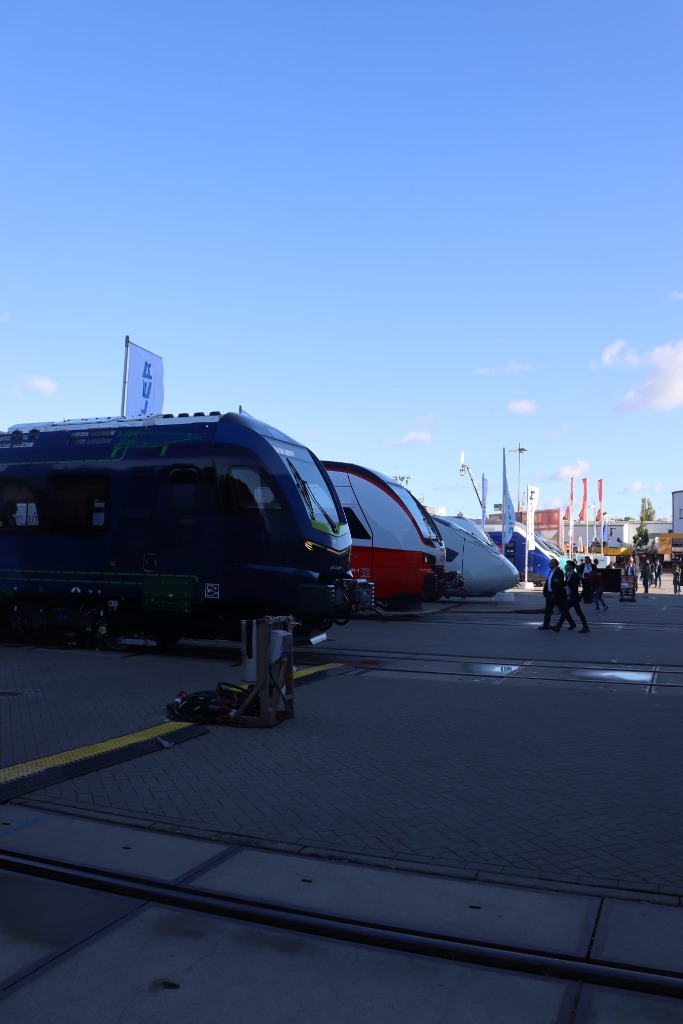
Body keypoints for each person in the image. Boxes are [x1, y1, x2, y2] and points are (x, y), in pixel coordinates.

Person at [554, 560, 589, 633]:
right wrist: (559, 581)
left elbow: (574, 587)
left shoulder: (574, 575)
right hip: (571, 597)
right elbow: (566, 583)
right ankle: (584, 626)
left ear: (571, 566)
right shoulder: (569, 574)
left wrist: (570, 595)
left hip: (573, 597)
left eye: (567, 565)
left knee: (569, 612)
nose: (566, 566)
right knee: (569, 612)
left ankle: (559, 627)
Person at [538, 558, 570, 630]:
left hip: (557, 595)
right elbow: (548, 582)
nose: (549, 564)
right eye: (549, 563)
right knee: (548, 610)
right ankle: (546, 625)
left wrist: (555, 593)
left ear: (555, 564)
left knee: (563, 610)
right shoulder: (550, 572)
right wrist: (545, 592)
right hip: (549, 594)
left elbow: (560, 583)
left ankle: (571, 623)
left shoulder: (559, 571)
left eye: (551, 563)